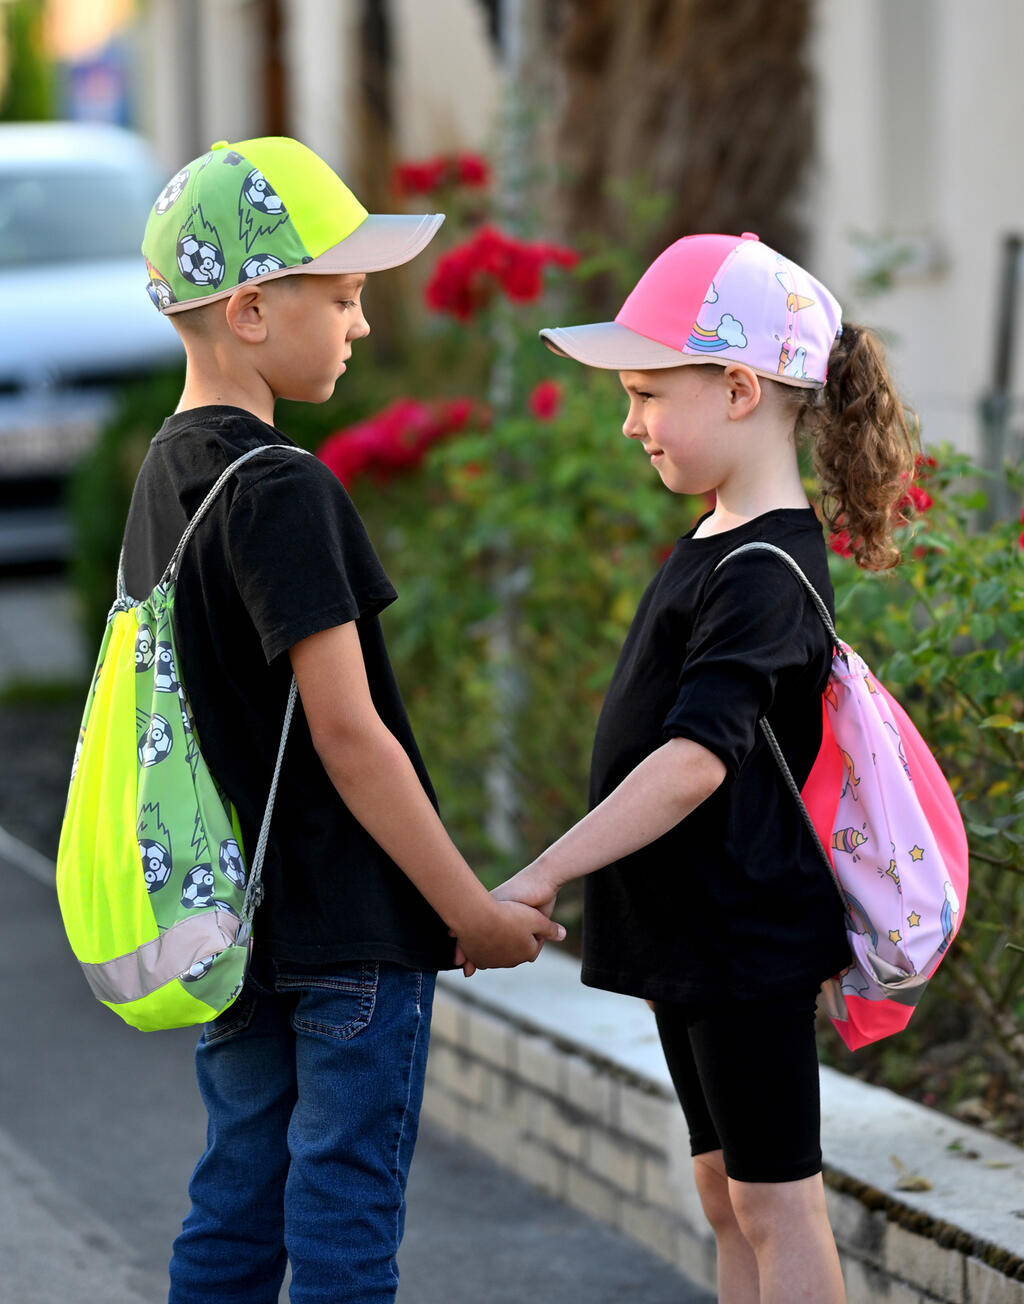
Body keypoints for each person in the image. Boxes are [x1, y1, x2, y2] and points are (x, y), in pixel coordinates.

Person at [126, 135, 563, 1304]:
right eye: (346, 294)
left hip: (239, 928)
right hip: (351, 937)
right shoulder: (283, 486)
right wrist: (466, 906)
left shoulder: (164, 474)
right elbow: (348, 733)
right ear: (256, 309)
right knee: (341, 1226)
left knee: (233, 1202)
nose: (363, 323)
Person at [489, 232, 917, 1303]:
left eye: (645, 392)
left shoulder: (768, 563)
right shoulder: (722, 534)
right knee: (727, 1191)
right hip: (694, 931)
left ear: (736, 388)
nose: (628, 421)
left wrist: (542, 870)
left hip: (745, 936)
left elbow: (693, 759)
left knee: (778, 1202)